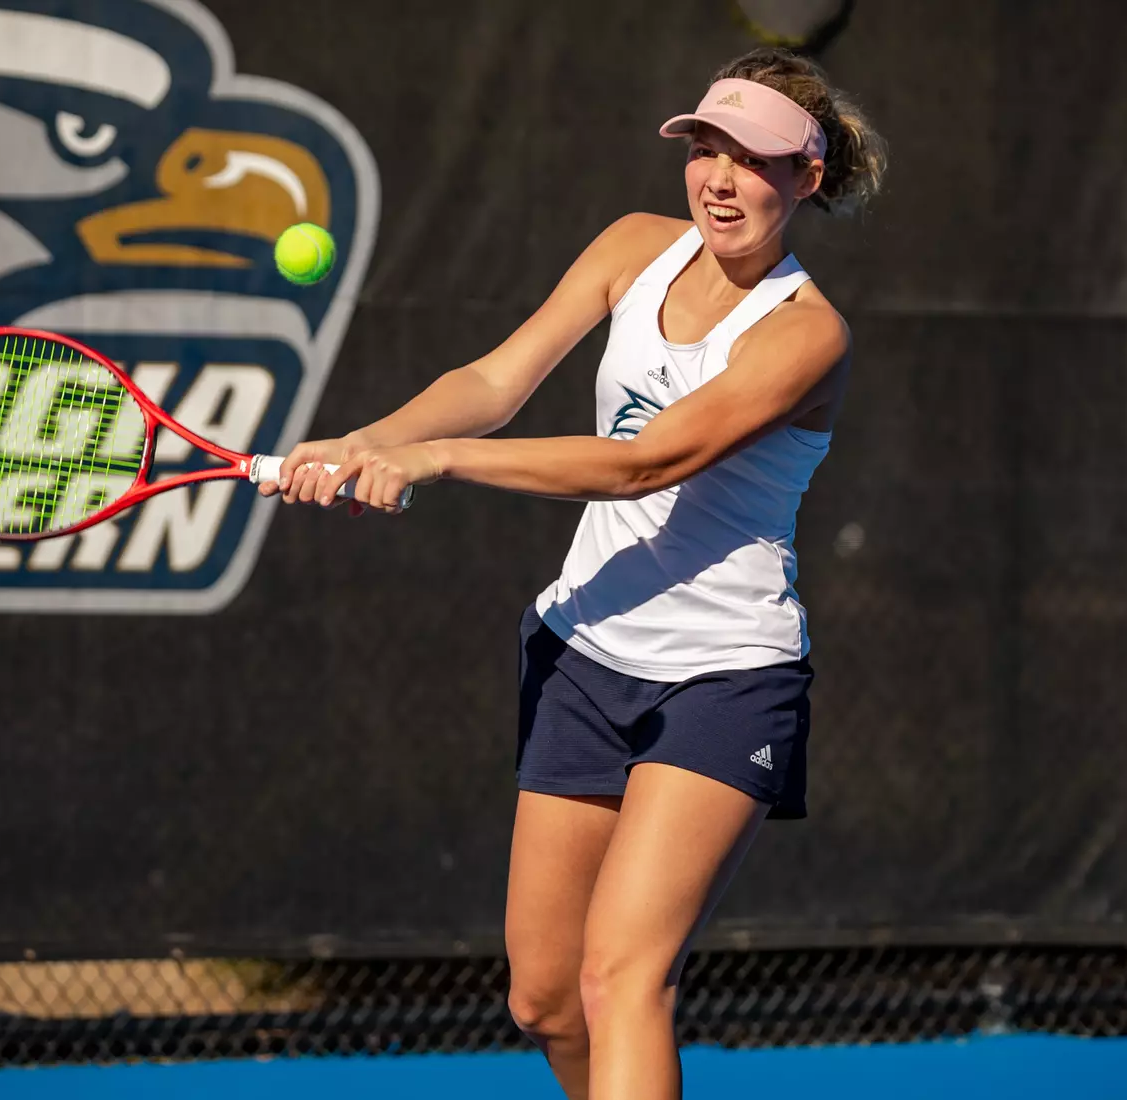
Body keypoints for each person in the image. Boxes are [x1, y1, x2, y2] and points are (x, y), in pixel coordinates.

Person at [262, 46, 885, 1100]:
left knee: (622, 977)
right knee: (547, 999)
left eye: (753, 160)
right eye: (707, 149)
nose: (720, 179)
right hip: (583, 656)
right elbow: (495, 379)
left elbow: (645, 462)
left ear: (806, 177)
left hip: (724, 678)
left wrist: (438, 461)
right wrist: (366, 442)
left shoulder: (807, 336)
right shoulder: (633, 246)